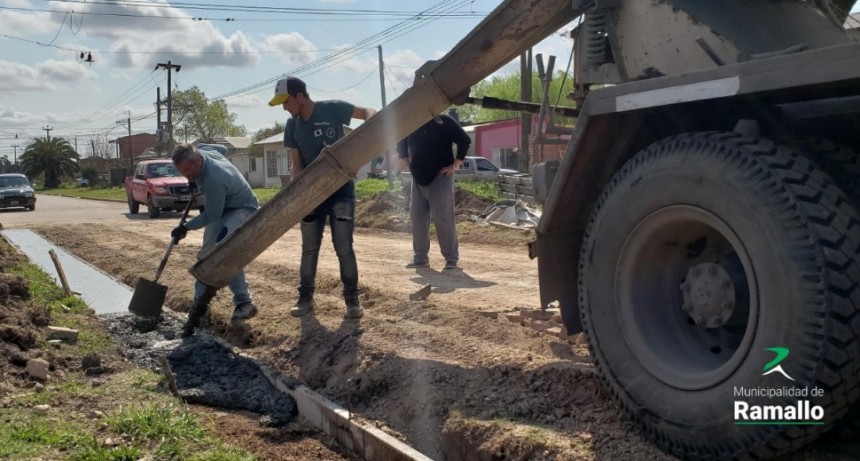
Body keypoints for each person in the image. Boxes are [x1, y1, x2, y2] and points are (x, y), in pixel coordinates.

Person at [268, 76, 376, 319]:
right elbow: (297, 166)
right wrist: (295, 196)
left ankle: (352, 301)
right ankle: (305, 299)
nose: (285, 107)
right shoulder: (292, 126)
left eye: (286, 102)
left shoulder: (332, 109)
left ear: (300, 96)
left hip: (342, 193)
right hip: (311, 197)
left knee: (344, 248)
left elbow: (368, 111)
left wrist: (370, 128)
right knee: (309, 249)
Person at [170, 143, 260, 321]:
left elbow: (212, 214)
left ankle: (244, 303)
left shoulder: (213, 179)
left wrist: (185, 227)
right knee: (206, 254)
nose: (185, 175)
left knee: (226, 250)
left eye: (187, 170)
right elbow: (223, 149)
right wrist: (193, 179)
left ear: (197, 161)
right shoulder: (203, 150)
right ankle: (200, 306)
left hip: (242, 207)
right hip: (223, 207)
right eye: (181, 171)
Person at [396, 113, 471, 270]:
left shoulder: (443, 121)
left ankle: (451, 259)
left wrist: (456, 164)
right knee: (417, 219)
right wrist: (404, 157)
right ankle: (420, 258)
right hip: (418, 177)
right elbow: (400, 140)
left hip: (440, 176)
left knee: (443, 218)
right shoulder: (411, 121)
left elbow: (464, 140)